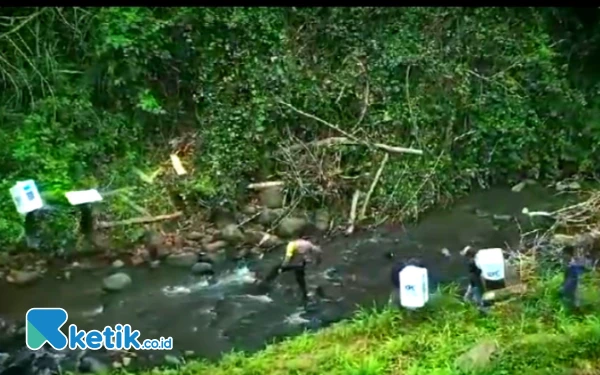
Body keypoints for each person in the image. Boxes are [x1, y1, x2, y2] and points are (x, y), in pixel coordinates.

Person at [259, 238, 322, 304]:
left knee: (276, 269)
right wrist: (317, 262)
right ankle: (304, 295)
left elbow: (288, 257)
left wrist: (283, 266)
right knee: (300, 279)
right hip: (300, 264)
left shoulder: (291, 245)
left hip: (292, 264)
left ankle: (265, 284)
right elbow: (318, 251)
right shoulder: (308, 244)